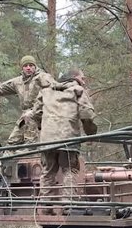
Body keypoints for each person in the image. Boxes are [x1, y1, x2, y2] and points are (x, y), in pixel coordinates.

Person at [0, 55, 54, 179]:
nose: (28, 68)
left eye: (31, 65)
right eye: (26, 66)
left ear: (35, 67)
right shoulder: (18, 82)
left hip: (41, 114)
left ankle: (28, 151)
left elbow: (53, 90)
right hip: (25, 116)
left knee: (29, 142)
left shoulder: (43, 77)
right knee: (11, 143)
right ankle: (3, 171)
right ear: (22, 68)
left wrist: (35, 110)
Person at [30, 68, 97, 215]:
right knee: (69, 170)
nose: (84, 81)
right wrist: (90, 132)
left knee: (47, 172)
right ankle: (68, 205)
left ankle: (46, 207)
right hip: (68, 139)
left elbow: (35, 113)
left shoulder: (46, 91)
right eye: (82, 77)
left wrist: (42, 127)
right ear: (75, 78)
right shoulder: (77, 90)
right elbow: (87, 113)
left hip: (46, 140)